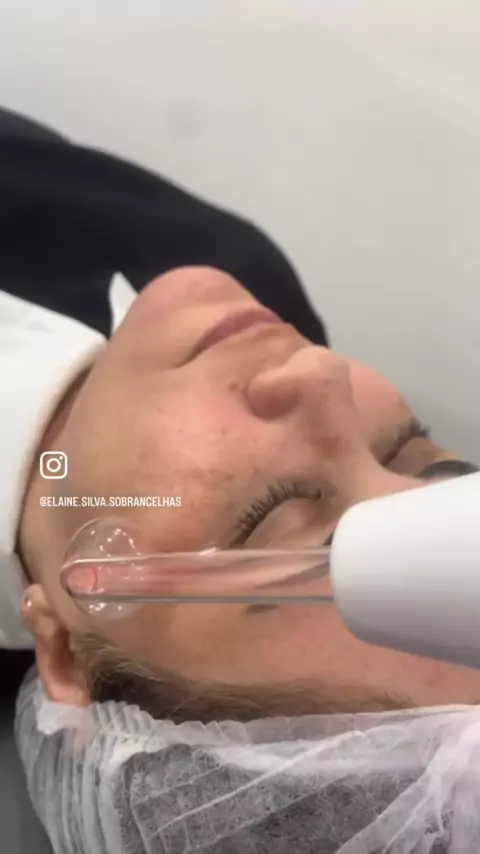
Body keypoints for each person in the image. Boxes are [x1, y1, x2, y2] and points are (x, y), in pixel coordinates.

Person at [3, 107, 480, 852]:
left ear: (70, 657)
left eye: (272, 512)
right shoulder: (243, 282)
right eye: (412, 455)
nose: (317, 373)